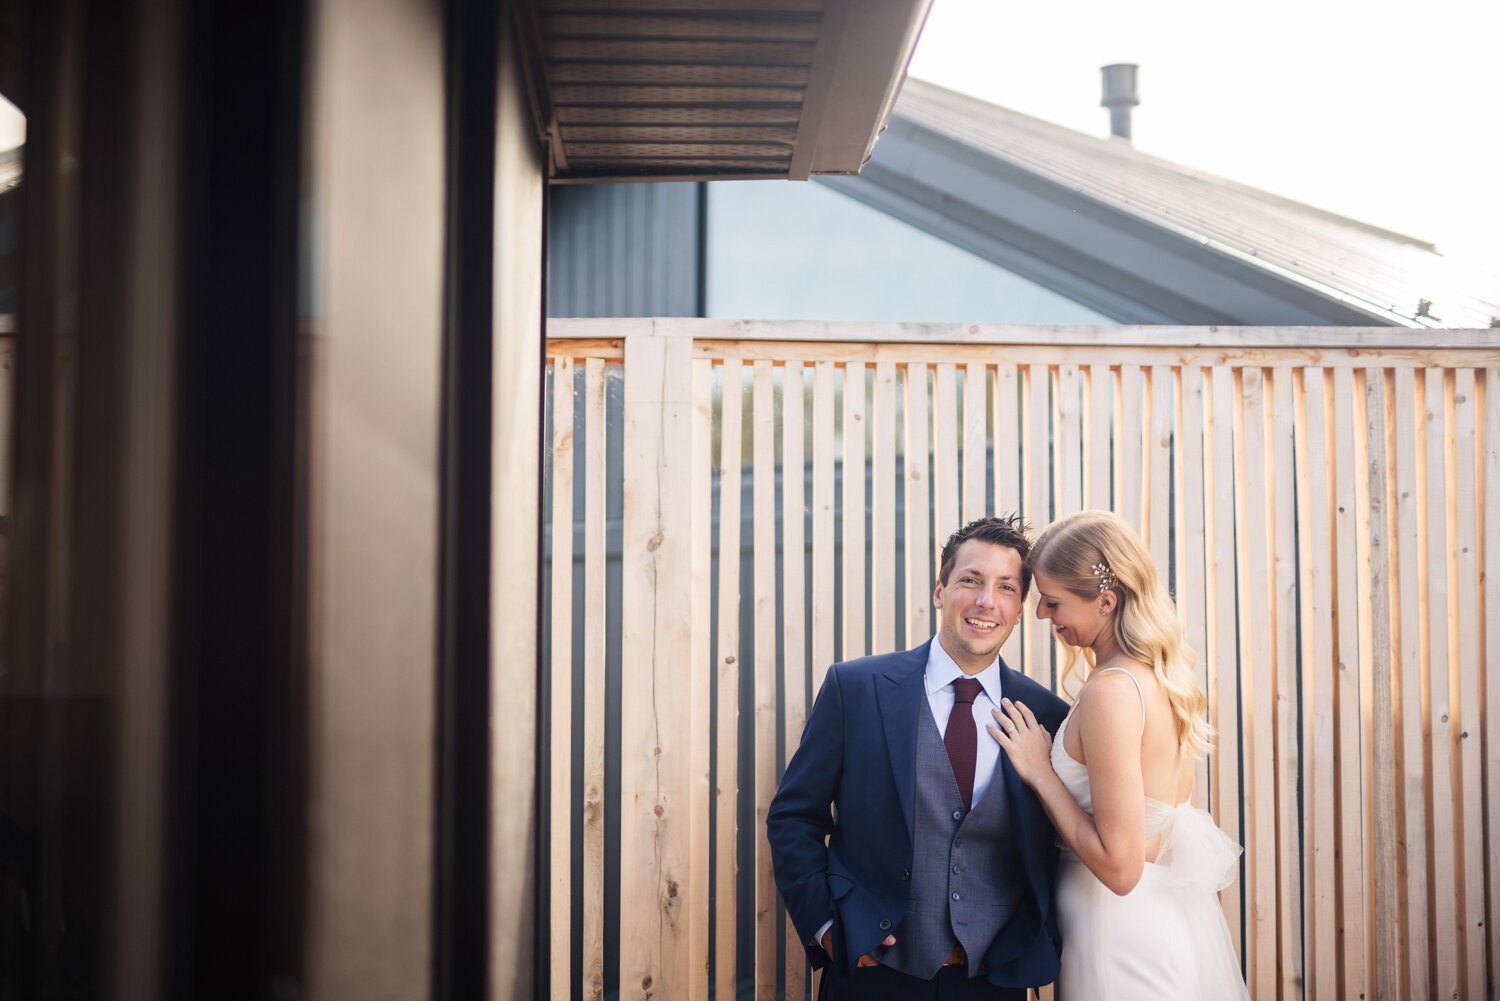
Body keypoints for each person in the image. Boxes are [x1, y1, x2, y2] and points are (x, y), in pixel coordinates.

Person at [768, 515, 1069, 1000]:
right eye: (970, 580)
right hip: (869, 973)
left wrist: (1039, 937)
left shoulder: (1049, 716)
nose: (985, 601)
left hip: (992, 979)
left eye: (1006, 588)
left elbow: (1060, 849)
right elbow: (793, 818)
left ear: (1019, 608)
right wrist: (828, 925)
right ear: (939, 591)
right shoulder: (857, 690)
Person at [988, 509, 1249, 999]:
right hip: (1146, 926)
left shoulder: (1112, 692)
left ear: (1105, 602)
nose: (1041, 615)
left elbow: (1121, 867)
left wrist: (1041, 773)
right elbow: (1158, 825)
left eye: (1052, 602)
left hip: (1120, 946)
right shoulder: (1156, 678)